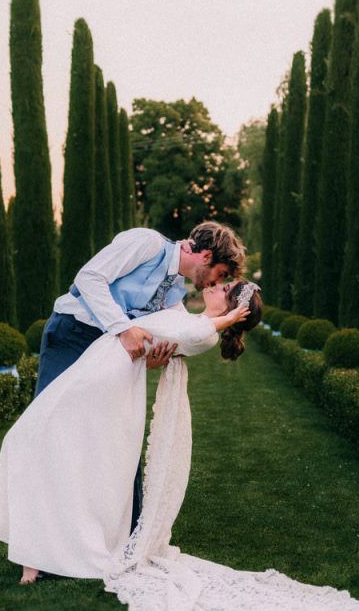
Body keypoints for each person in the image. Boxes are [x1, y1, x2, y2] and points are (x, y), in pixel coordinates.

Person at [0, 280, 259, 582]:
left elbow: (193, 334)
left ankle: (41, 556)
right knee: (34, 440)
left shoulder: (205, 334)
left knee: (38, 440)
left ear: (235, 309)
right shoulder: (188, 316)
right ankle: (33, 556)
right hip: (98, 365)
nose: (216, 284)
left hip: (109, 379)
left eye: (225, 288)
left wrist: (227, 321)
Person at [35, 221, 246, 532]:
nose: (215, 283)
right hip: (71, 335)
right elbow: (89, 277)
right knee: (53, 431)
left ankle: (127, 538)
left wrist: (154, 355)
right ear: (205, 255)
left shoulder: (175, 294)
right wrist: (123, 329)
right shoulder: (146, 242)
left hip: (109, 352)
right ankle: (43, 540)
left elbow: (180, 333)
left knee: (119, 436)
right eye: (221, 274)